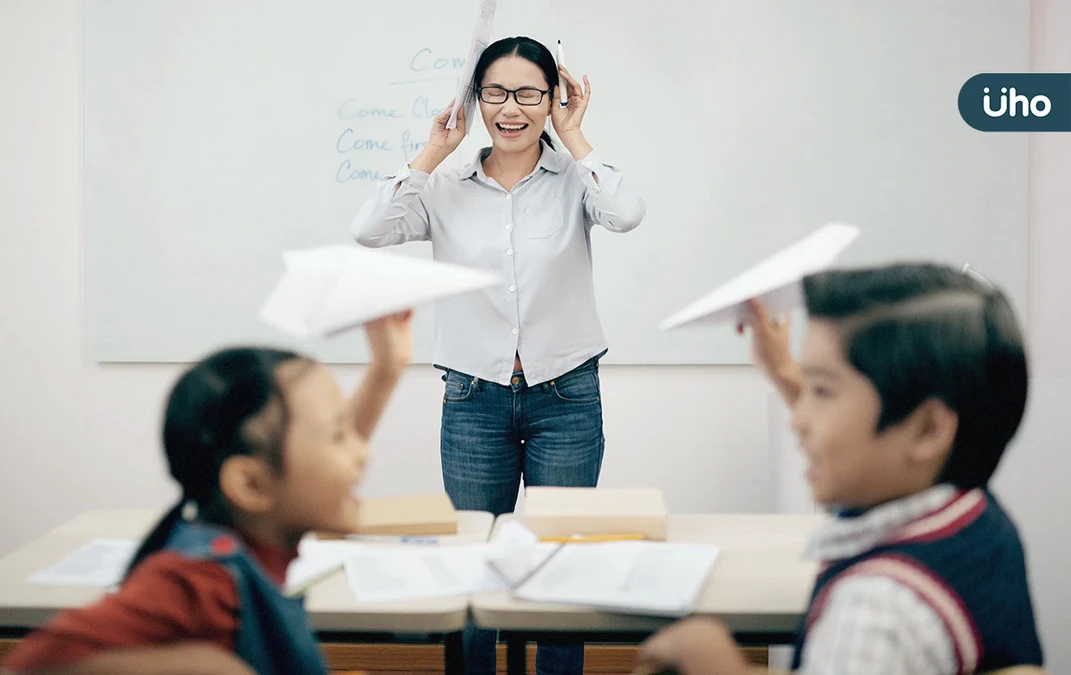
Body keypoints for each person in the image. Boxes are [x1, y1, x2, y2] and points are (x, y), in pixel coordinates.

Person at [352, 35, 645, 675]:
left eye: (529, 94)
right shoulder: (446, 183)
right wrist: (433, 150)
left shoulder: (576, 178)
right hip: (473, 399)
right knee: (474, 564)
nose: (511, 108)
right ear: (475, 98)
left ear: (552, 98)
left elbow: (626, 213)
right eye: (496, 93)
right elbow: (369, 229)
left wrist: (575, 137)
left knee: (558, 563)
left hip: (565, 396)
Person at [635, 263, 1043, 675]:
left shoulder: (872, 614)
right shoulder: (976, 519)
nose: (798, 421)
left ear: (928, 430)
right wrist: (785, 372)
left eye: (824, 391)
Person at [2, 313, 413, 675]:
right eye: (339, 436)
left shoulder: (257, 543)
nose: (362, 453)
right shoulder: (202, 583)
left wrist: (386, 370)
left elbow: (308, 462)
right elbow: (33, 663)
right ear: (250, 484)